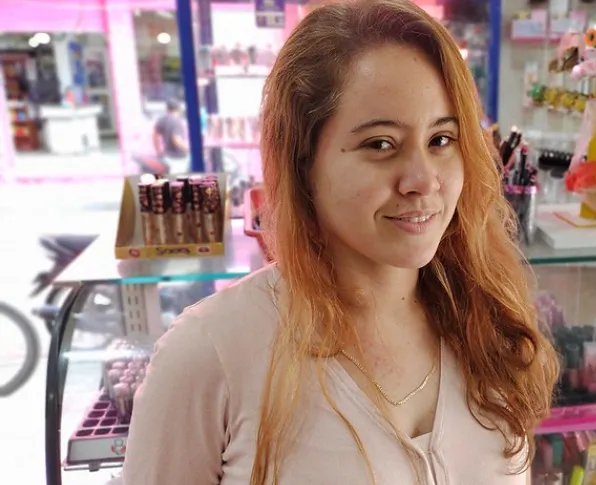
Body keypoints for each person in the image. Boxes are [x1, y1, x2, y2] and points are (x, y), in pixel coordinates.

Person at [122, 1, 559, 484]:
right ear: (304, 162)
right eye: (380, 144)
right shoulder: (211, 355)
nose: (422, 180)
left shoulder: (486, 320)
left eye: (441, 140)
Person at [153, 99, 189, 173]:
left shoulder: (162, 120)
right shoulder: (177, 121)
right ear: (178, 109)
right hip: (178, 158)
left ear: (167, 109)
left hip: (167, 156)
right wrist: (188, 150)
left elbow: (155, 136)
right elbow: (176, 139)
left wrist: (158, 151)